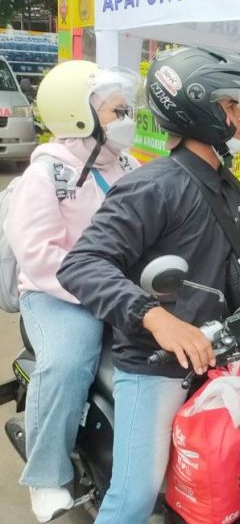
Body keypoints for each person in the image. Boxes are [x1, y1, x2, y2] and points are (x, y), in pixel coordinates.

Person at [57, 47, 240, 523]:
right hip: (158, 366)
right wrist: (156, 318)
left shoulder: (225, 182)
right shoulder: (153, 186)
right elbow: (83, 263)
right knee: (135, 496)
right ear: (196, 108)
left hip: (227, 355)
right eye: (230, 105)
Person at [4, 59, 139, 522]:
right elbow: (38, 255)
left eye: (125, 109)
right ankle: (45, 476)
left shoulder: (127, 166)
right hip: (57, 294)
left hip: (117, 288)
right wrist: (101, 287)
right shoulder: (47, 176)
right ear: (78, 115)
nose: (126, 119)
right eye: (115, 111)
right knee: (67, 361)